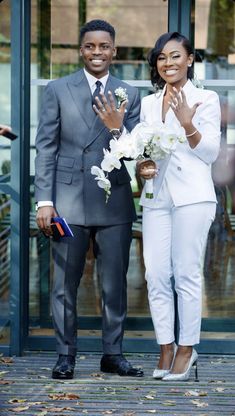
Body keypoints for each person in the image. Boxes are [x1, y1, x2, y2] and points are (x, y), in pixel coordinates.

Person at [95, 32, 221, 381]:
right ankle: (165, 345)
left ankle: (187, 347)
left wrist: (186, 122)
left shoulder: (206, 98)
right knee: (154, 275)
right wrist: (135, 157)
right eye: (162, 57)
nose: (168, 63)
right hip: (156, 198)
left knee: (185, 273)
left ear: (190, 59)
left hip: (194, 198)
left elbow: (208, 153)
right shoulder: (149, 103)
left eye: (176, 56)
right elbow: (141, 152)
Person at [34, 19, 143, 379]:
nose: (97, 52)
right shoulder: (57, 89)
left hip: (114, 201)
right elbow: (46, 148)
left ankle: (112, 353)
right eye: (90, 46)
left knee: (114, 284)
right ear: (82, 50)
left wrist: (117, 126)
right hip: (67, 200)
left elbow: (135, 152)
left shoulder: (130, 92)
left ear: (114, 49)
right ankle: (65, 355)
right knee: (65, 283)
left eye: (104, 46)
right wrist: (44, 201)